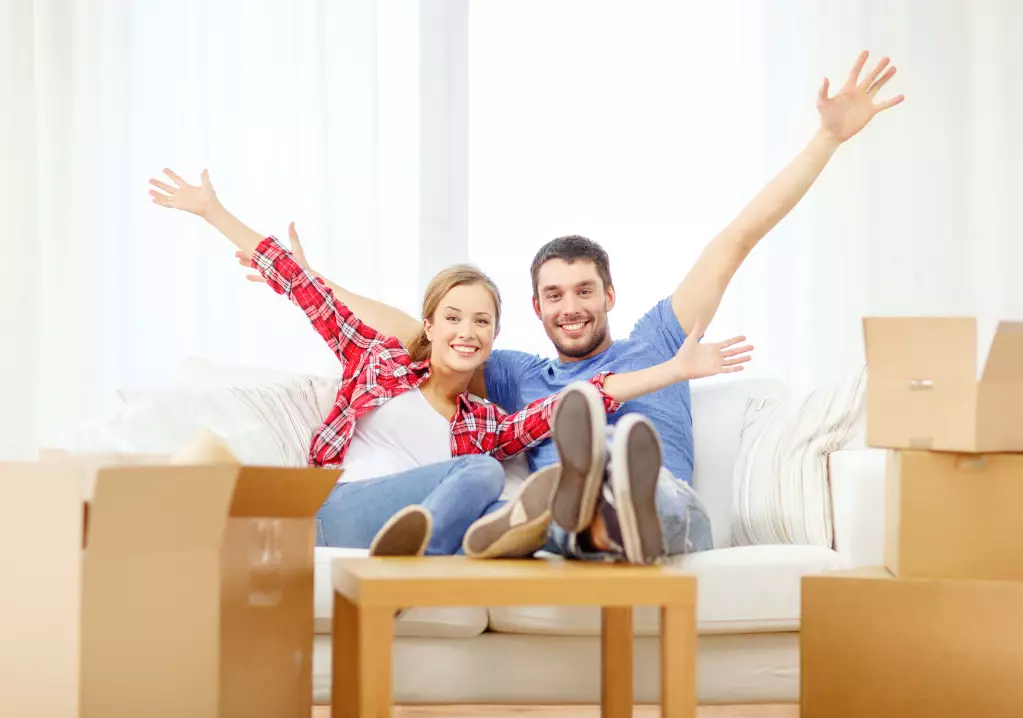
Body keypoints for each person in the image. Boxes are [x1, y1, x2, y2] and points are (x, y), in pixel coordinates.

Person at [234, 50, 904, 564]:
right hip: (562, 510)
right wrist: (309, 282)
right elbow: (421, 332)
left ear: (609, 294)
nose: (571, 307)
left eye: (584, 291)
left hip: (665, 502)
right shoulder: (517, 375)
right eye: (554, 296)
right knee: (550, 505)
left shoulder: (659, 338)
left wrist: (826, 140)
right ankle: (580, 514)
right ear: (535, 308)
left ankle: (611, 501)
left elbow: (736, 239)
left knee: (653, 498)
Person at [148, 170, 754, 560]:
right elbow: (302, 286)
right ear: (429, 327)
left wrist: (673, 370)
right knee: (480, 474)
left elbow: (584, 395)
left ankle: (573, 526)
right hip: (337, 508)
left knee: (502, 495)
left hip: (419, 513)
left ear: (494, 339)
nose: (466, 331)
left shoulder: (485, 421)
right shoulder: (377, 358)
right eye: (454, 318)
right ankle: (426, 555)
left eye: (482, 323)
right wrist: (212, 211)